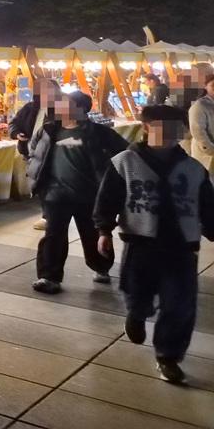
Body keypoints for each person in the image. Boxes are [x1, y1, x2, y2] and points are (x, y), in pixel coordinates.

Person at [94, 105, 214, 384]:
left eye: (176, 128)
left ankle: (168, 356)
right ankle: (137, 313)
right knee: (138, 291)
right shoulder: (124, 162)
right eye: (163, 126)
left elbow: (208, 205)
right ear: (147, 127)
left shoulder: (193, 168)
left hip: (182, 246)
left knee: (180, 303)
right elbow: (107, 199)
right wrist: (103, 230)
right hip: (141, 243)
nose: (170, 134)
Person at [27, 90, 127, 294]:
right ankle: (49, 276)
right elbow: (33, 151)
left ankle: (101, 267)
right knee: (53, 235)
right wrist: (36, 176)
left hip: (90, 194)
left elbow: (126, 152)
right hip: (55, 195)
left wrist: (113, 179)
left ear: (82, 109)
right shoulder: (48, 129)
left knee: (91, 234)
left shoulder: (99, 132)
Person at [9, 78, 62, 231]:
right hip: (30, 153)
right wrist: (16, 133)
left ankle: (49, 216)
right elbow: (14, 123)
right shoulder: (31, 108)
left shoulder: (61, 110)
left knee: (48, 184)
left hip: (51, 155)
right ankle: (48, 214)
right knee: (39, 184)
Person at [189, 74, 214, 169]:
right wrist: (211, 150)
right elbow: (198, 132)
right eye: (213, 85)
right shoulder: (200, 106)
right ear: (206, 86)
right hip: (207, 155)